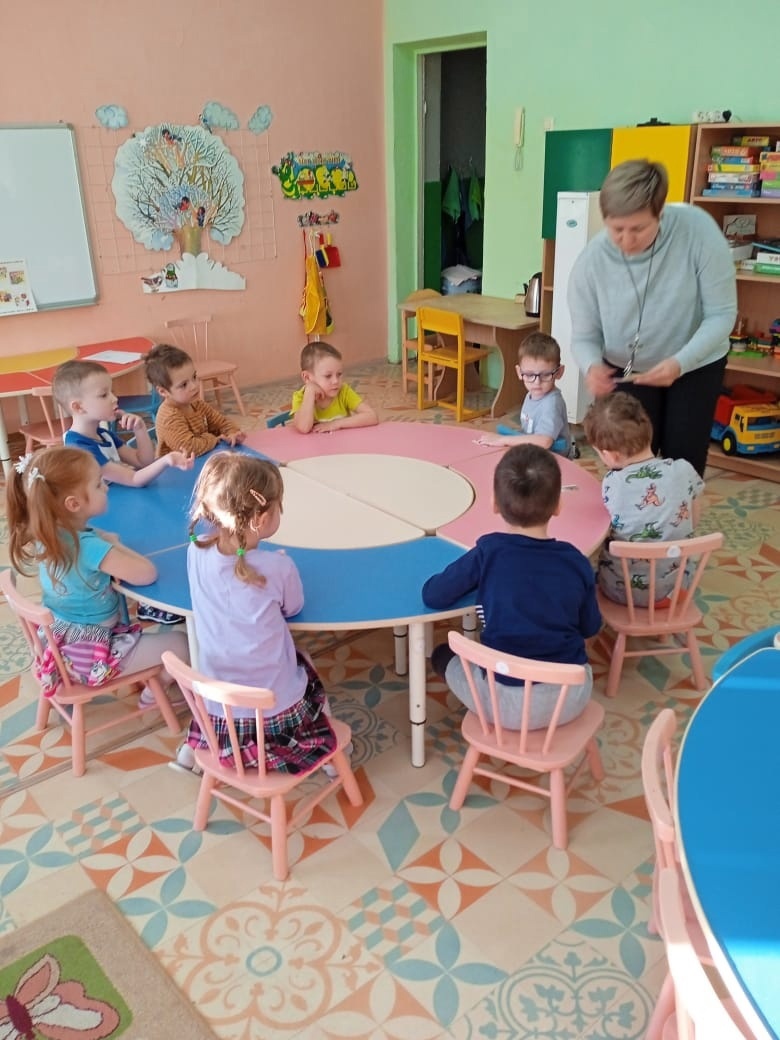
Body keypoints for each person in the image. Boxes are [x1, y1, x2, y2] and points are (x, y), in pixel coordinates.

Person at [567, 158, 737, 477]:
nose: (627, 240)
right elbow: (584, 336)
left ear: (660, 214)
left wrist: (680, 363)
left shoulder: (697, 231)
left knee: (683, 463)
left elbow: (721, 314)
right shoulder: (591, 262)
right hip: (628, 370)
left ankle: (680, 510)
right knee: (629, 462)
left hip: (695, 365)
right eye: (617, 229)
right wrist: (592, 366)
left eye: (638, 229)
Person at [175, 452, 338, 774]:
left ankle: (191, 751)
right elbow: (293, 607)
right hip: (273, 708)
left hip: (218, 704)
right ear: (261, 520)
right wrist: (278, 565)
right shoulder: (277, 567)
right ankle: (329, 757)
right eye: (279, 507)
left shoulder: (195, 550)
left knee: (232, 667)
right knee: (305, 663)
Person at [422, 444, 601, 730]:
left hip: (502, 703)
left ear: (494, 503)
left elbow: (434, 595)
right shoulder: (576, 561)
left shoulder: (489, 552)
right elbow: (590, 627)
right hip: (570, 699)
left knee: (443, 654)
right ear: (558, 505)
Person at [6, 446, 188, 702]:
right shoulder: (88, 547)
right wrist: (113, 544)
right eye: (98, 484)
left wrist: (104, 540)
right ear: (74, 504)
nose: (106, 488)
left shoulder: (46, 534)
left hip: (58, 643)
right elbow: (147, 573)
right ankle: (152, 696)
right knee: (182, 644)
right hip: (88, 656)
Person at [54, 358, 194, 625]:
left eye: (112, 391)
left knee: (161, 530)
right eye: (104, 394)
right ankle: (149, 605)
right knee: (147, 546)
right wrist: (167, 460)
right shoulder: (79, 448)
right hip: (103, 515)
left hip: (118, 504)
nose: (114, 398)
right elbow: (134, 478)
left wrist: (140, 430)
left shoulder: (102, 434)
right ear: (78, 407)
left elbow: (142, 461)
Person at [583, 392, 704, 606]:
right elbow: (693, 521)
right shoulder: (684, 470)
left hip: (621, 592)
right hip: (676, 590)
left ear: (611, 455)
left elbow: (604, 530)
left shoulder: (613, 483)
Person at [476, 333, 574, 456]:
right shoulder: (532, 394)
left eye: (545, 375)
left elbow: (544, 441)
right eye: (529, 375)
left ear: (559, 372)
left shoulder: (552, 404)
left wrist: (502, 440)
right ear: (519, 372)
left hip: (553, 461)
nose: (537, 382)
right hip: (536, 454)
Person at [144, 343, 246, 457]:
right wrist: (214, 438)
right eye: (184, 385)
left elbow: (221, 422)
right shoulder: (169, 417)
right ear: (163, 392)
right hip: (179, 467)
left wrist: (232, 433)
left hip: (202, 458)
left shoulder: (197, 404)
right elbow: (189, 449)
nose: (194, 386)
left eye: (194, 377)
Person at [290, 341, 378, 433]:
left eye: (339, 374)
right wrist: (310, 391)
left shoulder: (344, 391)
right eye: (328, 376)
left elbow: (372, 416)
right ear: (307, 377)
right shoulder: (300, 396)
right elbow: (303, 428)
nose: (336, 381)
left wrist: (336, 424)